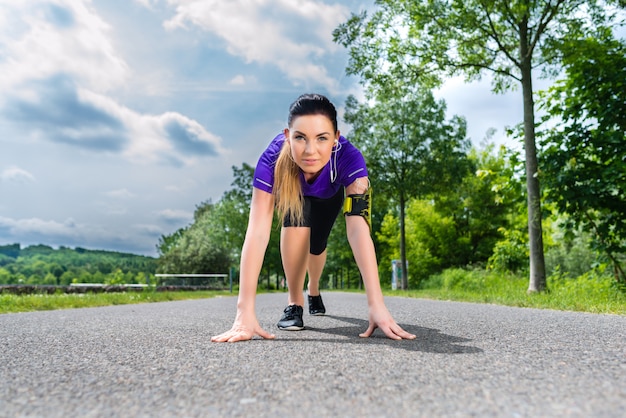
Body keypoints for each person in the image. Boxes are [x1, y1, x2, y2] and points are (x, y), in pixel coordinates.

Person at [211, 93, 416, 343]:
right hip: (294, 192)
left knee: (317, 245)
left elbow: (358, 230)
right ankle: (294, 302)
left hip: (328, 197)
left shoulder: (350, 159)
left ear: (335, 139)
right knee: (295, 226)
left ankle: (314, 289)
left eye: (321, 138)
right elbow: (257, 232)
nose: (310, 151)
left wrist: (377, 303)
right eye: (300, 138)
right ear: (288, 135)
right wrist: (244, 313)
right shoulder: (271, 159)